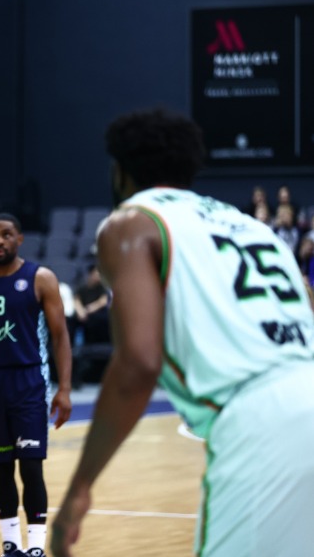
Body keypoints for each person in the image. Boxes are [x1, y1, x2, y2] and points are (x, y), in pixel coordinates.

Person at [50, 108, 314, 557]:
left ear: (120, 172)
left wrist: (80, 488)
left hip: (260, 420)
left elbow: (138, 363)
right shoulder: (256, 229)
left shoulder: (132, 222)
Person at [0, 213, 72, 557]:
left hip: (28, 382)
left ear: (19, 239)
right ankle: (11, 545)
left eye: (7, 235)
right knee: (1, 469)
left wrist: (64, 389)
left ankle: (36, 547)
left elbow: (60, 337)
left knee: (31, 466)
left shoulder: (41, 278)